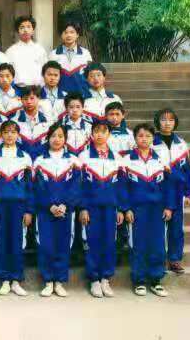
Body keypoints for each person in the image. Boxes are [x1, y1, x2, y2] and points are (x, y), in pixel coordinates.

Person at [120, 123, 174, 297]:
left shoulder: (160, 159)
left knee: (157, 244)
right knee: (138, 243)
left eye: (148, 136)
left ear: (153, 138)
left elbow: (168, 186)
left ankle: (156, 280)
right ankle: (139, 280)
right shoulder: (126, 160)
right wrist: (126, 208)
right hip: (137, 209)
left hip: (157, 209)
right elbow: (122, 187)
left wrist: (169, 206)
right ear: (135, 138)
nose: (144, 139)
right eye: (141, 136)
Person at [33, 122, 81, 298]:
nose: (57, 139)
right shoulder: (40, 160)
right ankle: (48, 281)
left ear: (65, 139)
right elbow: (37, 187)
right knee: (46, 244)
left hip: (65, 211)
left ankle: (59, 281)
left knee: (62, 244)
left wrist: (65, 204)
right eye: (53, 136)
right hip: (45, 211)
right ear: (47, 138)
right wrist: (50, 205)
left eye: (60, 136)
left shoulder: (73, 160)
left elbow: (76, 187)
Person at [79, 122, 125, 298]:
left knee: (109, 242)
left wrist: (120, 208)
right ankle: (94, 280)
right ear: (91, 134)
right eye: (96, 131)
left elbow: (121, 186)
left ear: (109, 134)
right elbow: (80, 185)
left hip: (111, 207)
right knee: (93, 241)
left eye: (103, 131)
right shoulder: (83, 156)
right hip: (92, 207)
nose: (99, 135)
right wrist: (83, 207)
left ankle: (105, 278)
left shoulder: (117, 158)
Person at [0, 120, 33, 296]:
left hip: (19, 206)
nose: (9, 135)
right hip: (0, 205)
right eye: (6, 132)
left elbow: (29, 186)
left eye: (13, 132)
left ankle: (16, 279)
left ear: (18, 135)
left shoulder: (25, 157)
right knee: (2, 242)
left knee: (17, 242)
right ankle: (4, 279)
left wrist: (28, 210)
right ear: (1, 135)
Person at [153, 108, 190, 275]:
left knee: (177, 227)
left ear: (175, 122)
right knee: (159, 227)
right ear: (158, 122)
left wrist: (188, 192)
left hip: (177, 191)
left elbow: (187, 170)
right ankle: (159, 259)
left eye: (170, 120)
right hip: (159, 190)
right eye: (163, 119)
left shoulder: (181, 143)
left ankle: (174, 259)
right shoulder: (152, 142)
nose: (167, 123)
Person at [49, 20, 92, 94]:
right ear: (61, 35)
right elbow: (49, 76)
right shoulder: (53, 54)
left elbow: (90, 75)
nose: (68, 35)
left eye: (72, 32)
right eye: (65, 32)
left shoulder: (85, 53)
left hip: (81, 95)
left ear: (77, 35)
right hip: (60, 95)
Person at [5, 16, 48, 88]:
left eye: (28, 27)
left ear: (33, 30)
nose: (25, 30)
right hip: (18, 89)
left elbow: (46, 70)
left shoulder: (40, 50)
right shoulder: (10, 51)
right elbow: (7, 73)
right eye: (22, 27)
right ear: (18, 31)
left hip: (37, 89)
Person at [14, 86, 50, 159]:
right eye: (25, 99)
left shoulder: (49, 122)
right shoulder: (14, 122)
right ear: (21, 100)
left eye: (32, 98)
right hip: (21, 160)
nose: (29, 102)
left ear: (39, 99)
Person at [63, 93, 92, 157]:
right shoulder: (61, 126)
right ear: (66, 108)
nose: (75, 110)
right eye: (71, 107)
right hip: (66, 159)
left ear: (83, 108)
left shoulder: (89, 126)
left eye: (78, 107)